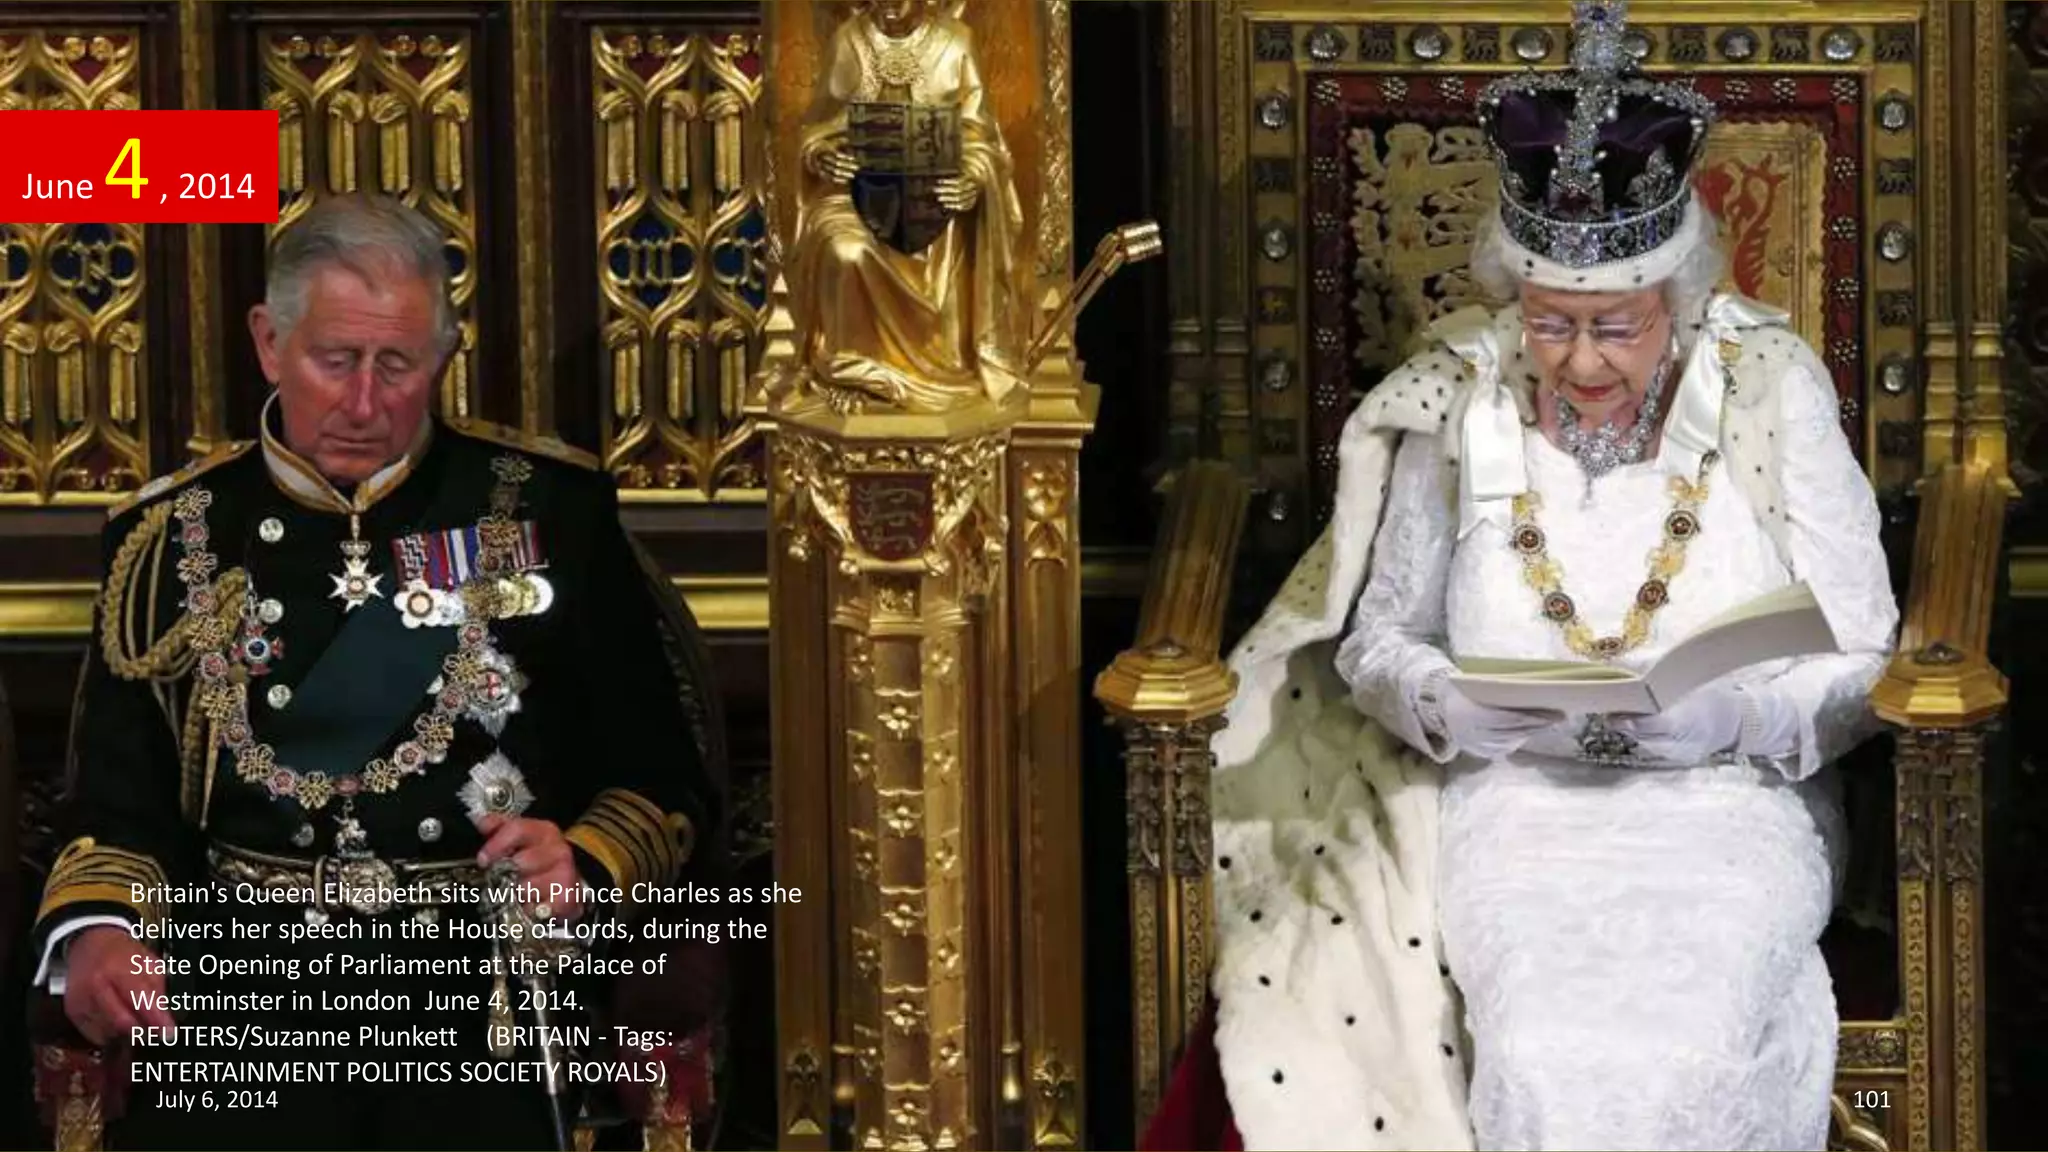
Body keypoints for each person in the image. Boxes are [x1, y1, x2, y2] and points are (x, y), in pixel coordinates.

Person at [1149, 3, 1899, 1148]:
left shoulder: (1768, 385)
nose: (1582, 360)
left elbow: (1866, 651)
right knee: (1548, 1043)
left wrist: (1733, 719)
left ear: (1677, 300)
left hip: (1727, 808)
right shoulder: (1456, 393)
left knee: (1685, 1031)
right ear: (1512, 298)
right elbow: (1377, 642)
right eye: (1550, 324)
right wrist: (1443, 703)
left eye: (1618, 328)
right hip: (1515, 807)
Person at [32, 193, 722, 1150]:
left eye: (397, 366)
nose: (364, 403)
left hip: (479, 991)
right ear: (269, 343)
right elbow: (117, 802)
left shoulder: (545, 515)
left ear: (442, 358)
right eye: (335, 361)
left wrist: (585, 865)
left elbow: (660, 772)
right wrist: (103, 932)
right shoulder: (172, 536)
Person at [782, 0, 1028, 412]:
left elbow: (980, 136)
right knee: (845, 249)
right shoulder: (850, 41)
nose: (890, 5)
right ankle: (850, 370)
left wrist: (971, 179)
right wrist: (821, 154)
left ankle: (946, 365)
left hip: (933, 197)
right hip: (856, 195)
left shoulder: (955, 42)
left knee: (944, 233)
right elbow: (816, 127)